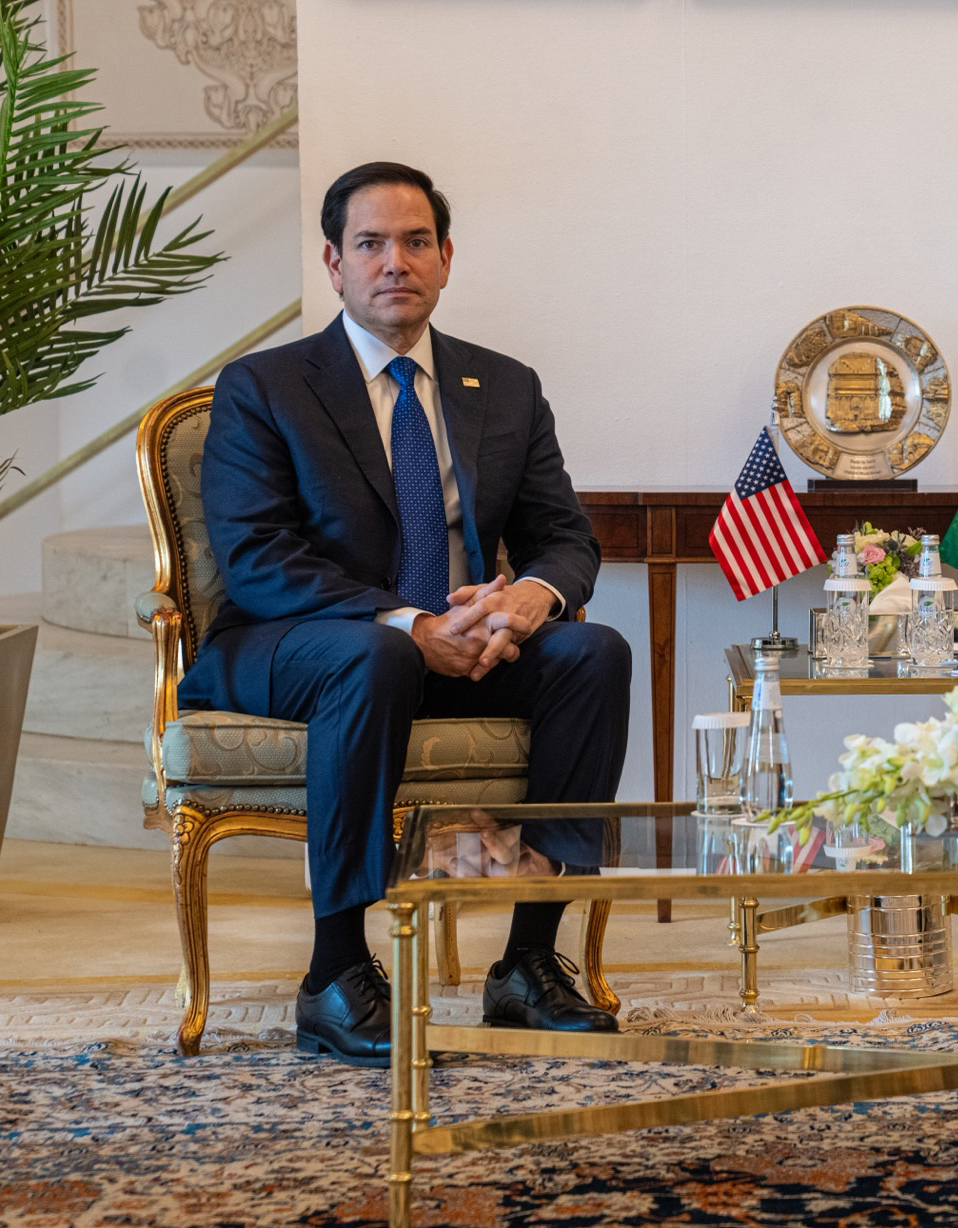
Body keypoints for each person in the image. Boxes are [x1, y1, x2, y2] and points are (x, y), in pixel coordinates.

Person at [178, 162, 632, 1065]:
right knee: (375, 659)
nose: (396, 261)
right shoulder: (265, 387)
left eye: (416, 241)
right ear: (333, 264)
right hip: (297, 648)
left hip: (465, 646)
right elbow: (260, 561)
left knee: (596, 651)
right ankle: (337, 974)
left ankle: (529, 965)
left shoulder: (504, 387)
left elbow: (564, 539)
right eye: (371, 244)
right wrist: (406, 626)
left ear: (447, 257)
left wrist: (526, 600)